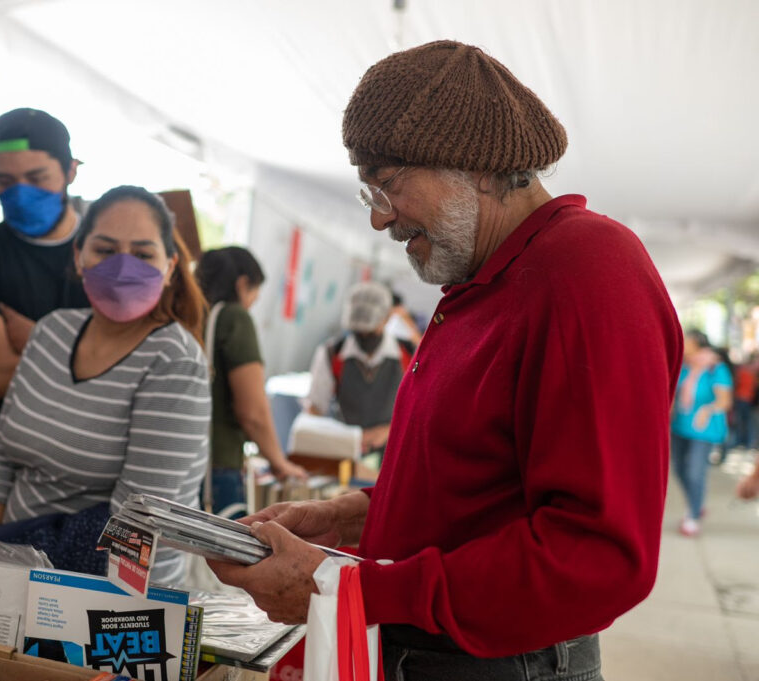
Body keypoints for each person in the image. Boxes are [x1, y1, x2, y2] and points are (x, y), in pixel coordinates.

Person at [208, 40, 682, 679]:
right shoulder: (480, 285)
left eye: (389, 185)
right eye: (367, 192)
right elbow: (469, 486)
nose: (380, 220)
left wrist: (355, 591)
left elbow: (596, 556)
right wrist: (344, 516)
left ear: (481, 166)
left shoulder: (588, 271)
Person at [0, 185, 210, 584]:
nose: (122, 266)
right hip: (8, 576)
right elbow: (0, 454)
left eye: (143, 254)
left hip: (114, 606)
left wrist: (33, 589)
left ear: (169, 268)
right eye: (105, 250)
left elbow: (137, 522)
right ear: (79, 256)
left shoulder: (174, 362)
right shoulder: (51, 332)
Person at [0, 108, 90, 524]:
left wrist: (37, 338)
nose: (20, 192)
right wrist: (86, 353)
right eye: (4, 182)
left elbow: (136, 374)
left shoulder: (107, 253)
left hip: (90, 483)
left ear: (71, 171)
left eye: (37, 178)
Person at [195, 246, 307, 518]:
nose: (254, 301)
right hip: (217, 468)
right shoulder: (233, 317)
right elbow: (252, 412)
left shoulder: (189, 316)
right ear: (242, 284)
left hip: (180, 465)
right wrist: (279, 462)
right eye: (255, 292)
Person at [305, 281, 415, 457]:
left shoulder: (408, 354)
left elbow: (419, 410)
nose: (364, 336)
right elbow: (316, 408)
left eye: (370, 331)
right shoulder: (332, 354)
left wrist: (388, 431)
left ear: (386, 318)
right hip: (344, 451)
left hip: (393, 452)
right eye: (358, 331)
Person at [670, 330, 731, 536]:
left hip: (704, 429)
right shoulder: (684, 365)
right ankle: (695, 502)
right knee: (679, 469)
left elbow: (725, 401)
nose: (683, 342)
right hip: (679, 426)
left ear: (697, 344)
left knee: (695, 472)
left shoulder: (715, 367)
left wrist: (707, 410)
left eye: (686, 340)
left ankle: (693, 516)